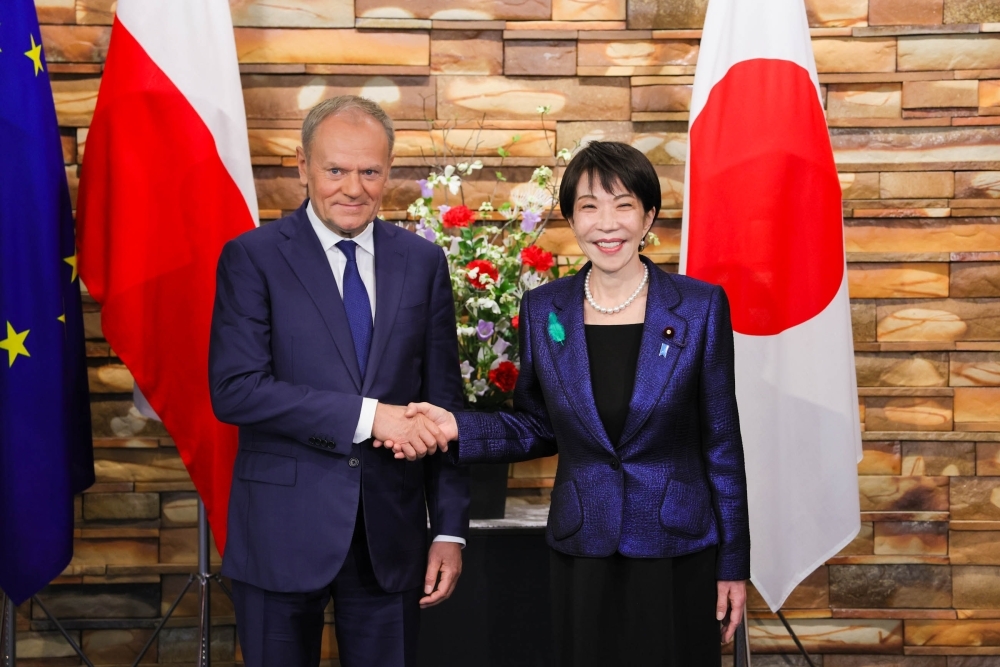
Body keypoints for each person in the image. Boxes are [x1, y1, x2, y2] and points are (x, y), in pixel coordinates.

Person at [391, 141, 750, 665]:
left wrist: (733, 562)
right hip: (583, 544)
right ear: (571, 218)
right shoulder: (544, 308)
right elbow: (538, 426)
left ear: (649, 215)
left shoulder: (699, 307)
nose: (608, 223)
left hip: (677, 547)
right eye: (589, 206)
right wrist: (457, 428)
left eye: (624, 205)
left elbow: (722, 445)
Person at [208, 95, 470, 667]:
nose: (353, 188)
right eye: (335, 170)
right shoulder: (252, 259)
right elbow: (236, 388)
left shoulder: (422, 263)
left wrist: (450, 529)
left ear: (388, 172)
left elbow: (445, 404)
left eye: (370, 171)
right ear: (302, 166)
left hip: (390, 540)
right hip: (280, 536)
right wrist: (369, 416)